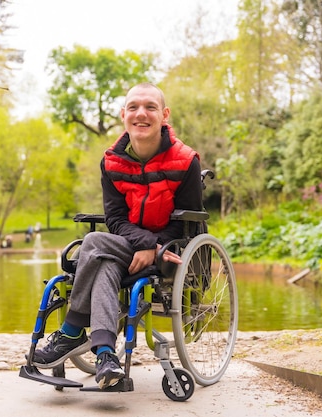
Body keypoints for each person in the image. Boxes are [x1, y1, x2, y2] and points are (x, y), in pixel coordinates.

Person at [32, 83, 204, 389]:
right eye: (134, 107)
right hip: (128, 247)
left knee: (94, 244)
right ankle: (106, 356)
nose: (142, 113)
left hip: (171, 251)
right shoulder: (111, 161)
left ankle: (72, 331)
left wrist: (156, 247)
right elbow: (115, 219)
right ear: (123, 115)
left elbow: (186, 221)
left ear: (164, 115)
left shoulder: (186, 160)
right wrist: (144, 244)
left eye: (150, 107)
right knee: (103, 263)